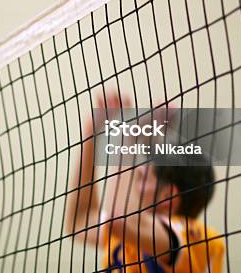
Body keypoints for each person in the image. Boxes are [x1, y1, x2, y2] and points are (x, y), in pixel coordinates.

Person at [65, 92, 224, 273]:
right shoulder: (131, 235)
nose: (132, 183)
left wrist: (129, 136)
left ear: (167, 197)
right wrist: (91, 133)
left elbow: (118, 219)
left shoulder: (194, 237)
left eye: (141, 178)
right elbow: (80, 221)